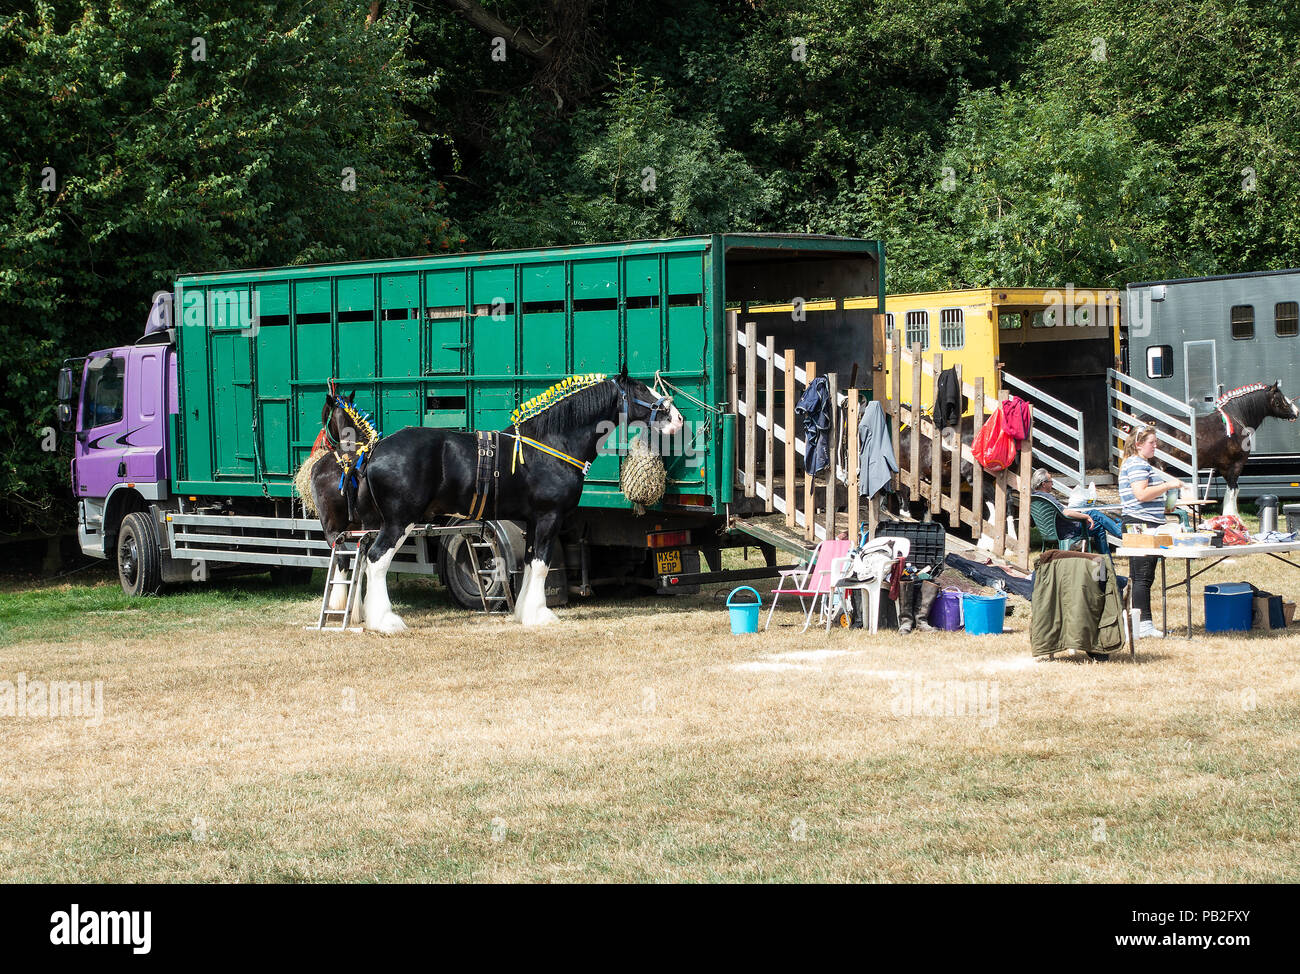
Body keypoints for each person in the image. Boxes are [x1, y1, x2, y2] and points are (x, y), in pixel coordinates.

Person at [1117, 426, 1184, 638]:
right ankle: (1144, 625)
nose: (1155, 446)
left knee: (1139, 576)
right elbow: (1141, 494)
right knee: (1143, 576)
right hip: (1141, 524)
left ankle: (1138, 623)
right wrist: (1167, 485)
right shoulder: (1137, 464)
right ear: (1138, 444)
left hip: (1142, 521)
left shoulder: (1137, 463)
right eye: (1151, 443)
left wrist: (1166, 504)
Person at [1030, 469, 1123, 555]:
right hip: (1068, 530)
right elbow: (1065, 513)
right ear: (1043, 484)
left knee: (1099, 529)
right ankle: (1120, 532)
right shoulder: (1047, 497)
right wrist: (1085, 517)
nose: (1052, 484)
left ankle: (1108, 562)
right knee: (1094, 513)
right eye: (1051, 482)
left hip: (1052, 532)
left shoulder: (1035, 499)